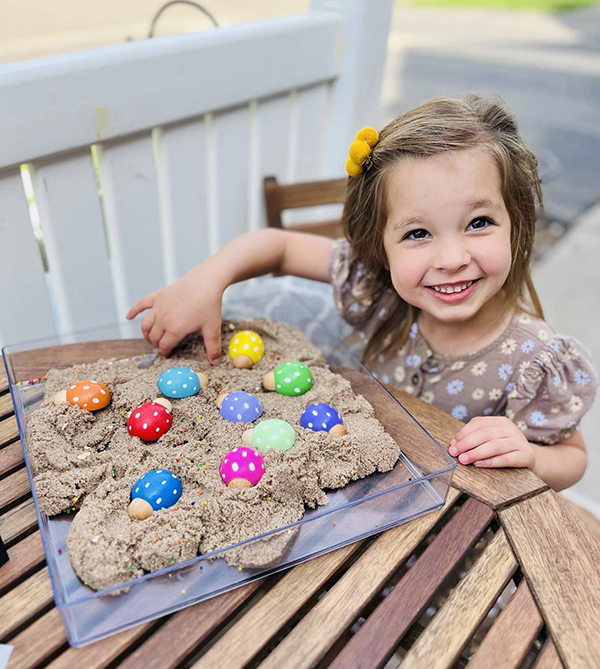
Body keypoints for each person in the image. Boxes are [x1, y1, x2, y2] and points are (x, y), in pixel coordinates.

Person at [127, 93, 597, 492]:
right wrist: (206, 280)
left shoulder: (536, 360)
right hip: (367, 493)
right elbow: (280, 246)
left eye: (479, 223)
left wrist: (532, 456)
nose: (451, 257)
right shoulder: (381, 290)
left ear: (516, 225)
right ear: (381, 246)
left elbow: (573, 459)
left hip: (457, 529)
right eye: (417, 233)